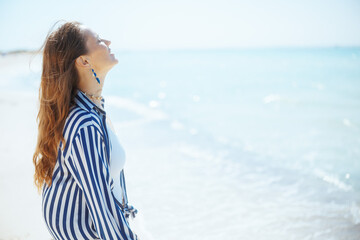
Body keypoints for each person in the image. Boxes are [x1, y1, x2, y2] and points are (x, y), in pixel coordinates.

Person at [32, 21, 140, 240]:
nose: (108, 42)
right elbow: (103, 209)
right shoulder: (84, 124)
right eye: (99, 40)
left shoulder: (91, 112)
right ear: (83, 61)